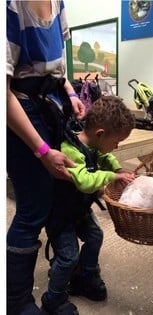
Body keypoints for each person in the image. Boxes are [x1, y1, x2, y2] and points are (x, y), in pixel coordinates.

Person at [6, 1, 86, 313]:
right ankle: (16, 301)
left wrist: (71, 91)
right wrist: (41, 151)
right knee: (32, 208)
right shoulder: (11, 9)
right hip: (20, 111)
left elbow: (57, 67)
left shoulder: (58, 4)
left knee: (57, 195)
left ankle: (62, 289)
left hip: (49, 104)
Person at [42, 96, 137, 314]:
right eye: (116, 142)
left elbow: (103, 156)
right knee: (68, 256)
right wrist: (111, 177)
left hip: (80, 210)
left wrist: (118, 168)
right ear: (100, 134)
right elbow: (84, 181)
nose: (117, 146)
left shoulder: (93, 144)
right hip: (60, 214)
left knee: (95, 236)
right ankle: (53, 299)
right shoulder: (70, 149)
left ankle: (85, 276)